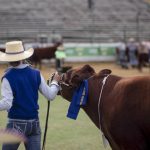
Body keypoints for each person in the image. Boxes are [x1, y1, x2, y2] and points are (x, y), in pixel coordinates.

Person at [0, 41, 60, 150]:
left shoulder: (7, 77)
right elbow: (51, 95)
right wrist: (55, 82)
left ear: (8, 59)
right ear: (22, 56)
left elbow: (7, 103)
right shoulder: (36, 73)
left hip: (15, 124)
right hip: (34, 123)